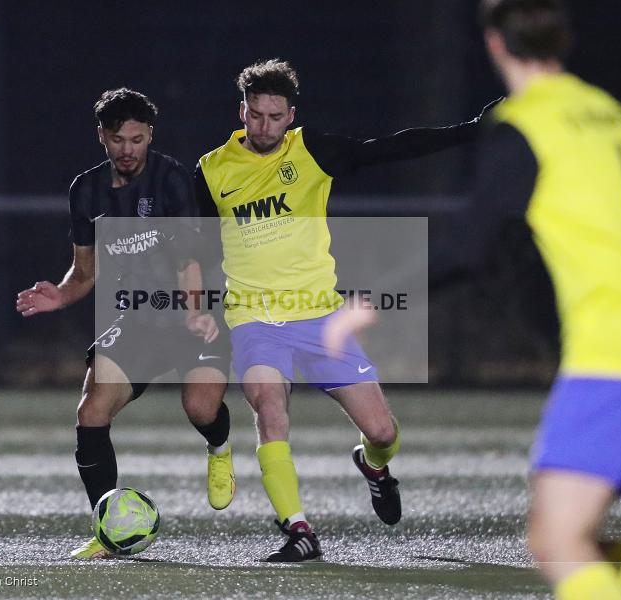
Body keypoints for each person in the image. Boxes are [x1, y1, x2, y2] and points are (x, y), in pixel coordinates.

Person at [330, 1, 621, 596]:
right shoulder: (617, 119)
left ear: (495, 45)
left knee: (558, 542)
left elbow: (471, 243)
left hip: (617, 353)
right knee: (570, 538)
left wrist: (371, 299)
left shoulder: (525, 126)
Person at [195, 59, 498, 562]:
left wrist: (469, 132)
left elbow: (390, 149)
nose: (264, 126)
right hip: (253, 318)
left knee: (383, 432)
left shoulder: (312, 150)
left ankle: (374, 467)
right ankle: (299, 531)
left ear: (291, 114)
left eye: (275, 116)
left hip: (319, 318)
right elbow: (197, 247)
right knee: (270, 410)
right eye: (255, 115)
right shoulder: (211, 169)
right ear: (241, 111)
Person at [16, 88, 236, 560]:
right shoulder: (86, 190)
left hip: (193, 311)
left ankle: (219, 448)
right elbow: (85, 273)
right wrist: (61, 294)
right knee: (91, 413)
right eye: (118, 139)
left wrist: (196, 311)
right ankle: (107, 525)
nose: (128, 149)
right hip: (134, 317)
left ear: (150, 135)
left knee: (200, 409)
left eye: (137, 139)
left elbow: (188, 261)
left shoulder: (173, 179)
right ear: (102, 137)